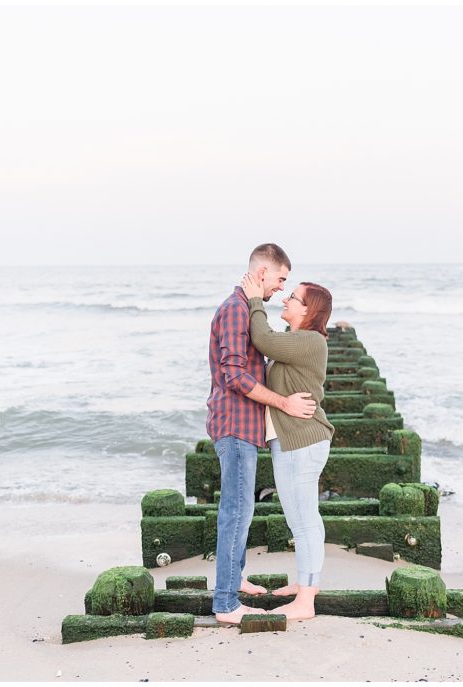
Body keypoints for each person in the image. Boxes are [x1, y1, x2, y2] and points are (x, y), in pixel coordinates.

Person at [207, 243, 318, 625]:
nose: (280, 289)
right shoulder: (237, 310)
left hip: (243, 425)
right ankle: (225, 604)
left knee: (240, 509)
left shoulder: (243, 308)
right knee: (236, 512)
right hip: (236, 423)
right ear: (262, 273)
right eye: (280, 279)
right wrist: (284, 403)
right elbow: (236, 375)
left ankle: (234, 579)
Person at [241, 272, 335, 621]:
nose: (286, 299)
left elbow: (262, 339)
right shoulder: (297, 340)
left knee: (304, 520)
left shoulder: (311, 341)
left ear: (308, 309)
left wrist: (253, 300)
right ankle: (305, 584)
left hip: (302, 441)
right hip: (295, 441)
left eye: (293, 297)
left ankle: (306, 600)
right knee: (301, 518)